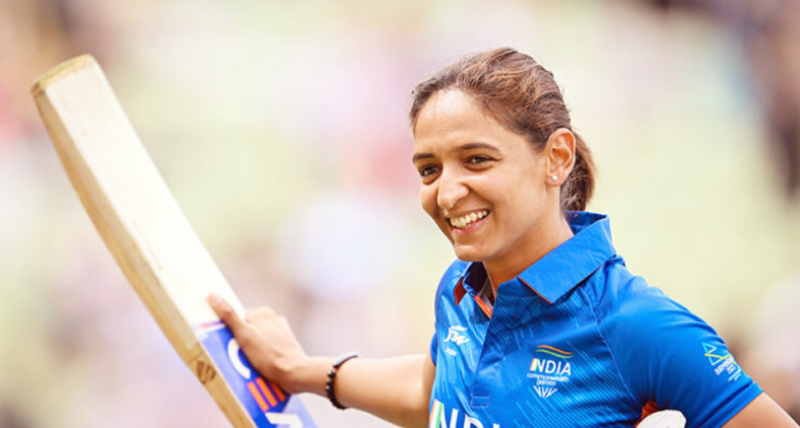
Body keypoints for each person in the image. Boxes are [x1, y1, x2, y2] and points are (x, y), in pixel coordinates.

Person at [207, 48, 799, 427]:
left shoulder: (638, 326)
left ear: (556, 157)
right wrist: (302, 369)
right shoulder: (460, 289)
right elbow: (439, 389)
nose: (447, 192)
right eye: (429, 169)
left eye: (477, 159)